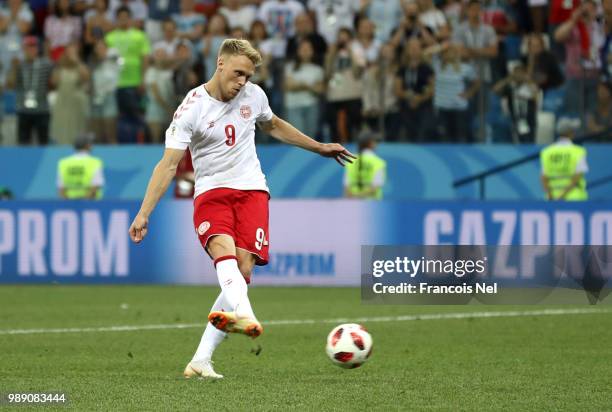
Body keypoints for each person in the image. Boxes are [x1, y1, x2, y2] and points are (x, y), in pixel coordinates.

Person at [128, 39, 354, 379]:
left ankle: (201, 360)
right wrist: (144, 212)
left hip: (252, 190)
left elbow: (274, 124)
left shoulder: (254, 95)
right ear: (219, 63)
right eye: (237, 74)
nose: (241, 83)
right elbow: (168, 165)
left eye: (247, 76)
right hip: (212, 191)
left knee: (244, 267)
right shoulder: (191, 108)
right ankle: (245, 314)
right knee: (224, 251)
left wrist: (318, 147)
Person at [6, 36, 54, 145]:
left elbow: (53, 83)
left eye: (33, 47)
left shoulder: (46, 64)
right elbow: (10, 85)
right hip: (23, 110)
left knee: (43, 143)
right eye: (28, 47)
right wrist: (13, 68)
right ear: (24, 49)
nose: (31, 50)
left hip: (42, 109)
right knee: (23, 143)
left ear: (37, 49)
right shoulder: (19, 65)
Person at [540, 117, 588, 201]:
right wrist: (562, 196)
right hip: (574, 197)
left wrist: (550, 195)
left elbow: (544, 177)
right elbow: (577, 176)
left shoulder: (547, 152)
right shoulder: (578, 151)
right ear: (570, 133)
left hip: (552, 198)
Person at [57, 134, 105, 199]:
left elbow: (61, 189)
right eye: (90, 144)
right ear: (87, 146)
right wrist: (83, 203)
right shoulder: (95, 162)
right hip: (92, 205)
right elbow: (95, 186)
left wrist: (68, 204)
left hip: (70, 204)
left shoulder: (63, 163)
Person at [343, 130, 386, 199]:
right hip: (373, 206)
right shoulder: (378, 162)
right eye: (375, 141)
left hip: (353, 204)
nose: (376, 144)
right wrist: (360, 197)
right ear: (370, 143)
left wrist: (354, 198)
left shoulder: (350, 160)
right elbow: (375, 188)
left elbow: (346, 188)